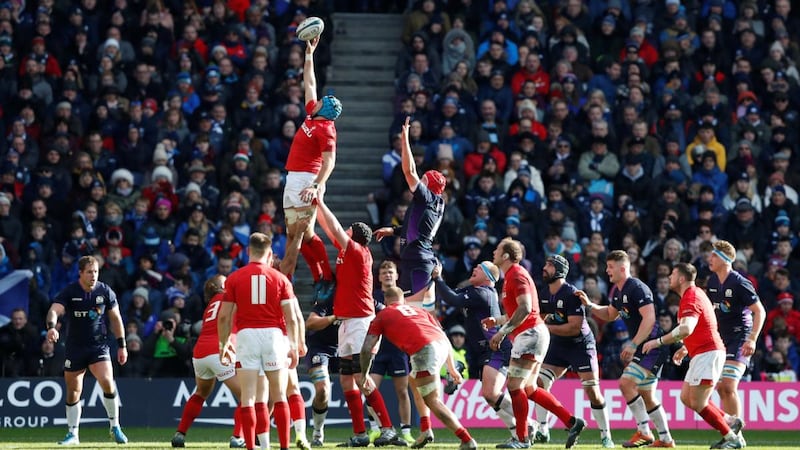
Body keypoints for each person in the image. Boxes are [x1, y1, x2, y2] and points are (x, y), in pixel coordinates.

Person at [374, 116, 447, 445]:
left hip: (418, 258)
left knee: (417, 306)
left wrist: (404, 139)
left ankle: (438, 345)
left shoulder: (427, 196)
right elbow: (416, 227)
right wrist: (394, 231)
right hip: (421, 255)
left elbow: (408, 172)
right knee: (416, 307)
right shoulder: (437, 202)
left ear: (428, 187)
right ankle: (425, 427)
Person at [314, 192, 403, 447]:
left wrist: (320, 201)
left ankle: (388, 429)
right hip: (347, 322)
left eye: (348, 230)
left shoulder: (358, 252)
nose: (344, 231)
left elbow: (334, 229)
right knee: (346, 380)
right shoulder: (347, 252)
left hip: (360, 322)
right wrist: (315, 205)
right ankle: (361, 434)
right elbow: (330, 229)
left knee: (360, 380)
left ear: (355, 237)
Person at [483, 239, 586, 449]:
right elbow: (518, 311)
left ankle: (521, 439)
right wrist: (499, 320)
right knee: (528, 388)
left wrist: (502, 332)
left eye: (497, 250)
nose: (494, 252)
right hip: (533, 333)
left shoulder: (516, 274)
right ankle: (571, 422)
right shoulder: (511, 275)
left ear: (505, 256)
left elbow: (526, 308)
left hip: (529, 334)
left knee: (514, 386)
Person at [359, 286, 478, 450]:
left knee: (433, 400)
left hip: (423, 350)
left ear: (386, 301)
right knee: (413, 379)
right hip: (442, 345)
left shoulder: (383, 315)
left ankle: (466, 439)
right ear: (403, 300)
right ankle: (425, 430)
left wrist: (364, 375)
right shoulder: (418, 310)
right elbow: (442, 335)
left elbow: (367, 348)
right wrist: (451, 367)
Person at [643, 263, 745, 449]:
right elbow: (699, 327)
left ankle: (732, 439)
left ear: (682, 278)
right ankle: (729, 420)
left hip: (708, 353)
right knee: (686, 397)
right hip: (701, 352)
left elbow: (686, 328)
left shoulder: (690, 297)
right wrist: (687, 348)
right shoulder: (693, 294)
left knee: (698, 402)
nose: (669, 277)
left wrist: (657, 342)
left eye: (672, 274)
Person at [581, 250, 675, 448]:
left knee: (626, 383)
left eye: (610, 267)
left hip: (652, 346)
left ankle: (644, 432)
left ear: (623, 268)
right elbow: (610, 313)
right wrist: (590, 305)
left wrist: (633, 344)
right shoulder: (618, 290)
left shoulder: (637, 288)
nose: (607, 271)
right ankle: (665, 439)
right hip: (645, 346)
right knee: (646, 394)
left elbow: (649, 319)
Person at [218, 232, 302, 450]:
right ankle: (284, 446)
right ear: (270, 254)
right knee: (280, 393)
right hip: (274, 336)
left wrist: (224, 343)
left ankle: (254, 447)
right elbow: (292, 317)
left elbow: (225, 316)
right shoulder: (280, 279)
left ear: (248, 252)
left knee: (249, 397)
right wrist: (293, 346)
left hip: (247, 336)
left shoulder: (234, 278)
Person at [431, 260, 530, 444]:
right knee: (490, 397)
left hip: (496, 349)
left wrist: (437, 278)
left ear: (488, 276)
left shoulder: (482, 293)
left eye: (479, 268)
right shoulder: (475, 291)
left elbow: (451, 299)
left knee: (490, 393)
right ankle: (517, 433)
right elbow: (451, 295)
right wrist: (439, 281)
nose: (474, 268)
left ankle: (528, 424)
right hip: (484, 350)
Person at [281, 35, 342, 298]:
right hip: (295, 177)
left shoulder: (326, 129)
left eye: (320, 100)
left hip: (307, 179)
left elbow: (330, 161)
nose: (315, 99)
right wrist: (309, 54)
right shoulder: (312, 116)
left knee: (297, 234)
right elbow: (310, 81)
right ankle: (323, 277)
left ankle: (288, 280)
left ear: (324, 109)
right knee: (300, 234)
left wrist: (316, 185)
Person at [46, 255, 129, 446]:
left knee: (108, 382)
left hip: (98, 346)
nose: (94, 275)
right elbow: (54, 310)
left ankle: (115, 426)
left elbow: (116, 319)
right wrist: (51, 326)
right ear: (81, 273)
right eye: (90, 272)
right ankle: (73, 434)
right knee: (74, 390)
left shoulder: (105, 291)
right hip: (75, 347)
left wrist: (122, 345)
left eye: (96, 272)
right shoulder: (70, 291)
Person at [538, 255, 614, 448]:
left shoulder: (571, 294)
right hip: (558, 343)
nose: (544, 268)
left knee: (592, 390)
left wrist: (547, 328)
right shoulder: (544, 292)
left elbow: (574, 327)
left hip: (580, 344)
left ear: (560, 271)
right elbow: (541, 317)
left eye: (549, 266)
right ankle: (542, 429)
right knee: (540, 382)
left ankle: (606, 436)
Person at [171, 274, 245, 448]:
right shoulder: (229, 298)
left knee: (201, 393)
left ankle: (180, 434)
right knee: (248, 395)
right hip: (218, 350)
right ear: (220, 286)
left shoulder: (210, 305)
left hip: (200, 353)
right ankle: (237, 437)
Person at [705, 240, 765, 446]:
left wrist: (752, 339)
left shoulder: (739, 282)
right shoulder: (712, 282)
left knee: (728, 385)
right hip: (722, 339)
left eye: (713, 255)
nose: (709, 259)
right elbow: (711, 313)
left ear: (724, 259)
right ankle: (734, 437)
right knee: (721, 388)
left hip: (741, 337)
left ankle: (734, 438)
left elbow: (760, 311)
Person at [367, 260, 415, 445]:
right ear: (378, 277)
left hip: (398, 351)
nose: (387, 274)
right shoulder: (372, 297)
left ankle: (406, 431)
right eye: (384, 272)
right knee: (370, 390)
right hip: (377, 350)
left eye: (391, 271)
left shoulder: (402, 297)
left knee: (402, 392)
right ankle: (374, 429)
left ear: (396, 275)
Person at [304, 290, 339, 447]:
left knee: (362, 384)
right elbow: (310, 323)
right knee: (323, 391)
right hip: (320, 348)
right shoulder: (328, 299)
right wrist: (334, 317)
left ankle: (370, 431)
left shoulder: (363, 299)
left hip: (346, 347)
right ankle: (318, 431)